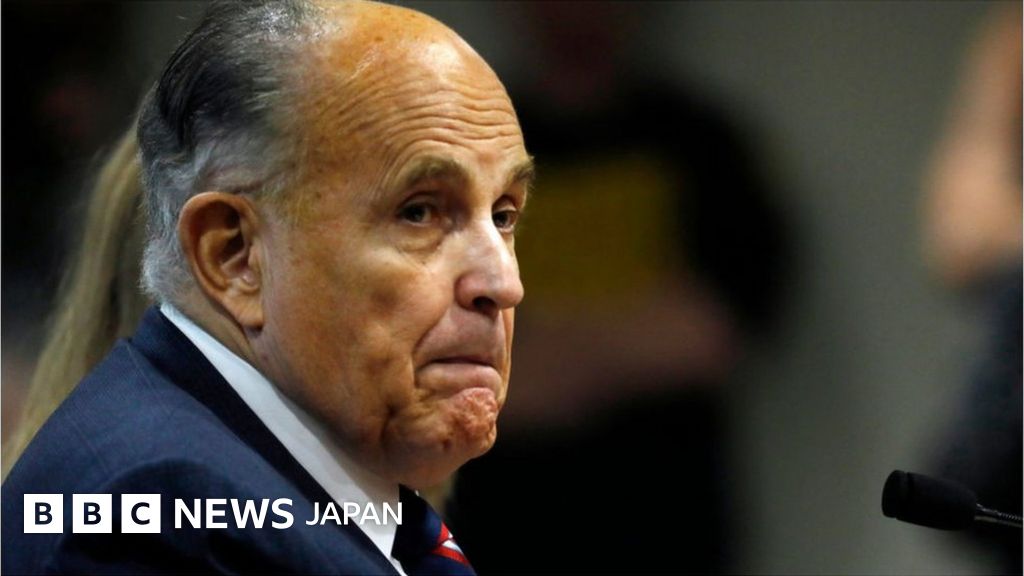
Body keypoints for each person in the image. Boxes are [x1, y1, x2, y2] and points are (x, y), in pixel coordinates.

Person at [2, 1, 532, 574]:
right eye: (419, 212)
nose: (504, 283)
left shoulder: (286, 492)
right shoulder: (163, 526)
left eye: (503, 215)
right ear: (234, 256)